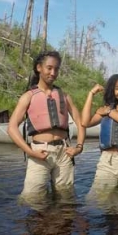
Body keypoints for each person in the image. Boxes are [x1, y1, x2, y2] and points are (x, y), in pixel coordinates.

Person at [8, 51, 86, 197]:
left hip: (64, 153)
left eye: (56, 69)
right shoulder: (28, 96)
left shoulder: (64, 96)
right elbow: (12, 128)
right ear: (39, 68)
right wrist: (30, 151)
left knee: (66, 198)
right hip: (39, 152)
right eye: (49, 68)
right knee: (32, 198)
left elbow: (81, 122)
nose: (53, 72)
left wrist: (79, 147)